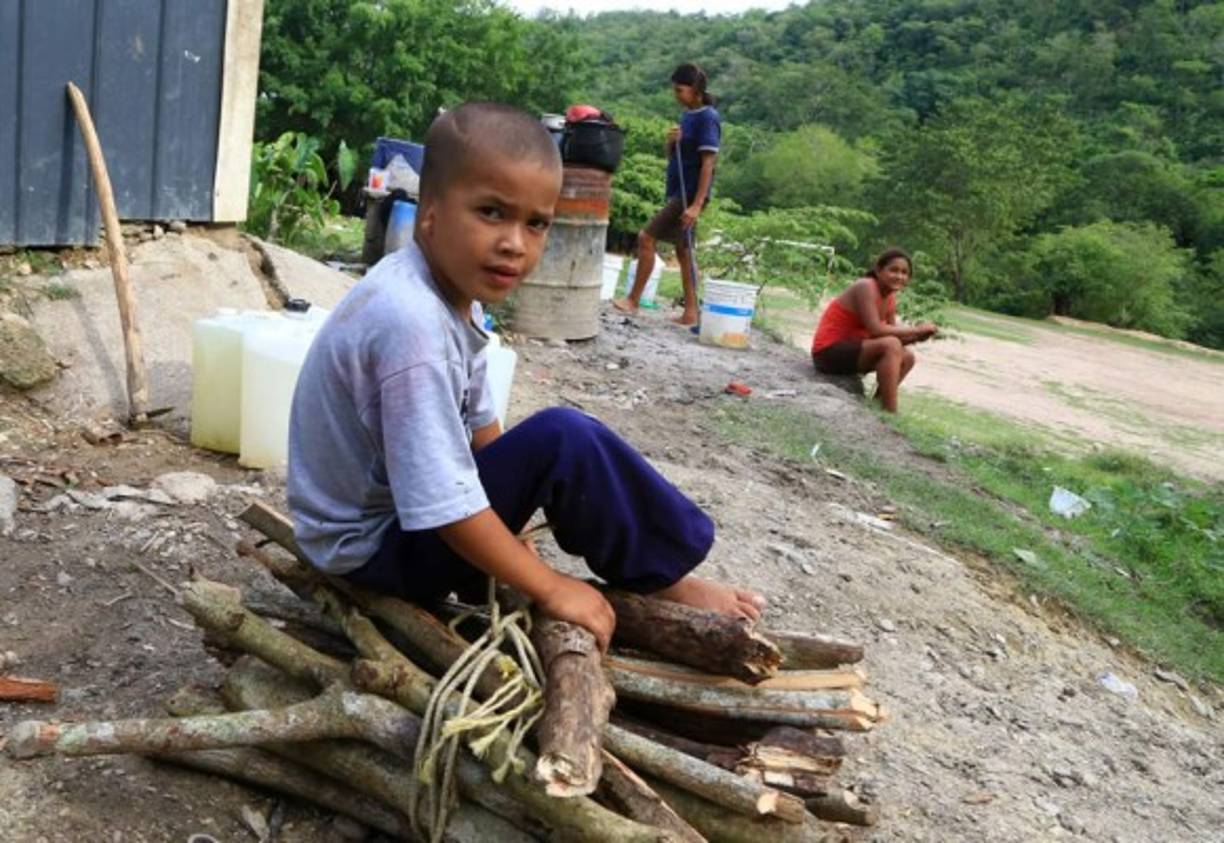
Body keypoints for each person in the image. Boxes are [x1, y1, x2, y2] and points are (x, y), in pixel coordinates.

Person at [287, 102, 763, 653]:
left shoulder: (448, 293)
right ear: (430, 214)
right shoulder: (410, 323)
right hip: (370, 555)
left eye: (536, 223)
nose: (516, 242)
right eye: (491, 212)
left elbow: (484, 428)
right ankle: (667, 579)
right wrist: (549, 585)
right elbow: (444, 500)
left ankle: (660, 570)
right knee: (564, 437)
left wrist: (511, 524)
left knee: (556, 442)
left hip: (390, 527)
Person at [613, 63, 720, 326]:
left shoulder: (708, 118)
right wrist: (670, 143)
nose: (676, 95)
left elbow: (709, 163)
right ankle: (691, 313)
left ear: (695, 90)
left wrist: (696, 204)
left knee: (646, 237)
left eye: (680, 90)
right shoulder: (687, 115)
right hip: (677, 190)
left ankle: (633, 300)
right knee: (684, 251)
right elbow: (675, 157)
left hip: (689, 194)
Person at [810, 249, 937, 413]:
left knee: (907, 356)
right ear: (878, 270)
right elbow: (876, 329)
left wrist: (919, 336)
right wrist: (916, 329)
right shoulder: (866, 286)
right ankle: (890, 411)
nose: (899, 276)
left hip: (853, 352)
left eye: (904, 273)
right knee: (890, 345)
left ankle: (877, 406)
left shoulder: (890, 297)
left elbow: (892, 337)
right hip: (827, 353)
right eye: (893, 270)